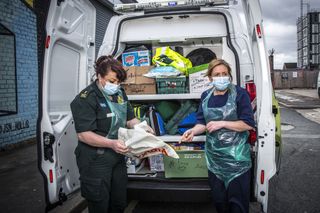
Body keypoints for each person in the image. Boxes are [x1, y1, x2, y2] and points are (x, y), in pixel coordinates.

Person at [70, 55, 152, 213]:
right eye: (112, 81)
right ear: (99, 76)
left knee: (119, 201)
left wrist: (142, 127)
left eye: (119, 82)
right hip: (95, 159)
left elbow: (130, 119)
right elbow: (84, 135)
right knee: (99, 204)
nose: (116, 85)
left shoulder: (120, 93)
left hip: (117, 157)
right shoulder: (85, 99)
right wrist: (111, 144)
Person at [181, 59, 255, 213]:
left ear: (229, 76)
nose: (221, 77)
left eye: (224, 74)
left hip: (237, 161)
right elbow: (202, 122)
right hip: (215, 161)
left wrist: (223, 123)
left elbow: (248, 123)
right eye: (217, 74)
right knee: (220, 203)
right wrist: (193, 131)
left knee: (238, 206)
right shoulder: (206, 96)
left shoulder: (240, 94)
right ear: (210, 78)